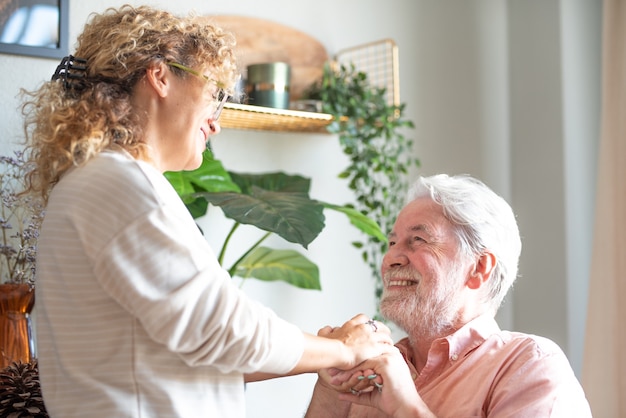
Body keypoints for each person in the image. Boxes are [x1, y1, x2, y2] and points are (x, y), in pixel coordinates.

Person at [20, 5, 393, 417]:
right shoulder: (122, 185)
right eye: (214, 96)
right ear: (160, 76)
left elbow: (193, 352)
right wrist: (342, 349)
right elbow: (223, 331)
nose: (216, 123)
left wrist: (326, 355)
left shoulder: (106, 182)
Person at [305, 174, 592, 417]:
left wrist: (407, 407)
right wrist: (330, 389)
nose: (391, 257)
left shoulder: (529, 364)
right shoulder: (368, 371)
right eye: (392, 242)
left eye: (418, 240)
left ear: (479, 267)